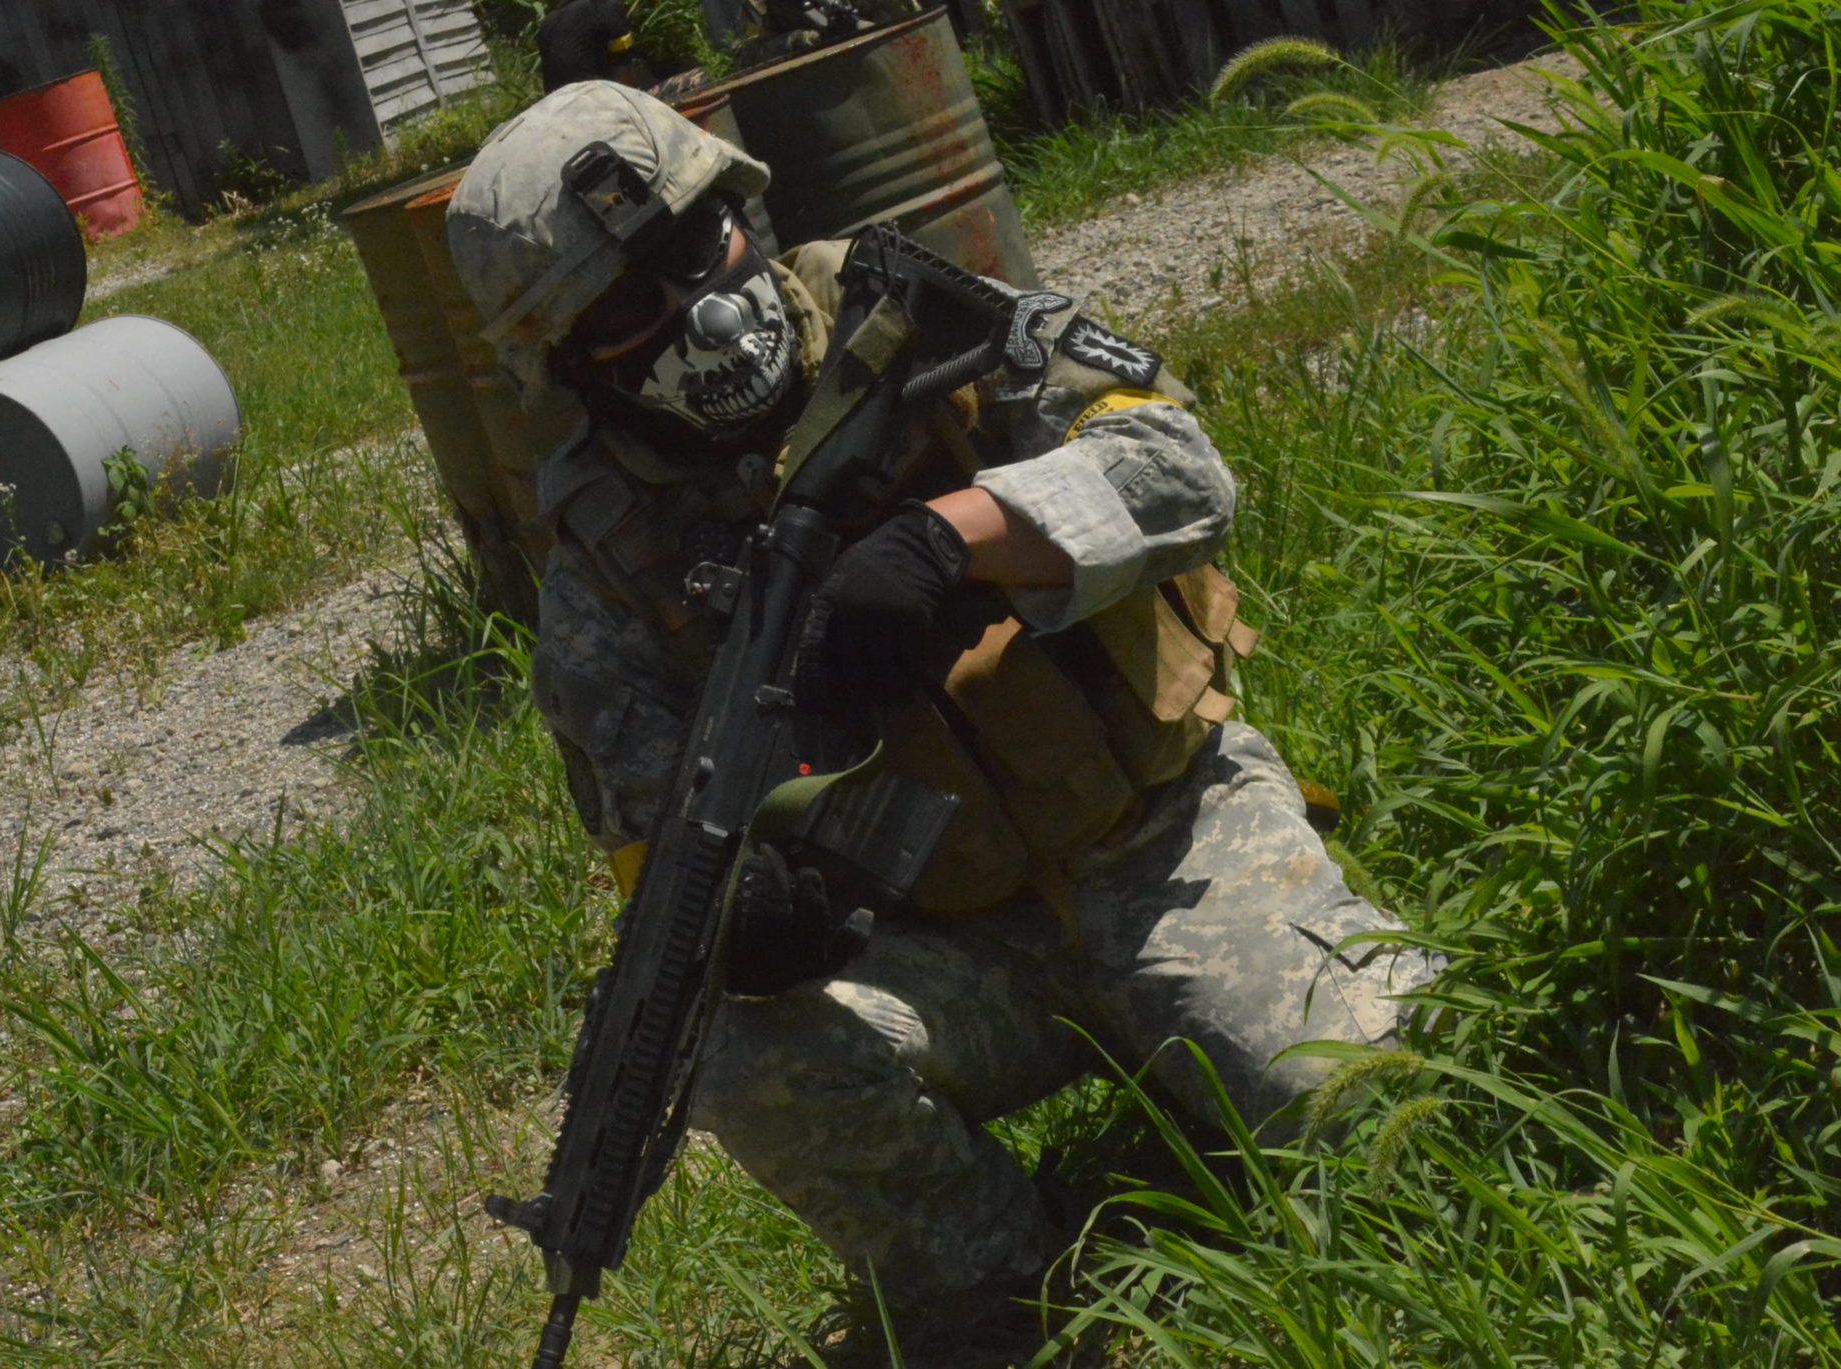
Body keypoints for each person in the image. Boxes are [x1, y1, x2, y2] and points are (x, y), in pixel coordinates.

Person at [446, 82, 1431, 1364]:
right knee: (731, 1048)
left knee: (1387, 1121)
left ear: (741, 210)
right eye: (627, 311)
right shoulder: (607, 566)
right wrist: (757, 910)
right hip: (951, 951)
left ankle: (1220, 1041)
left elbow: (1184, 471)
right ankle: (995, 1291)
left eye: (695, 248)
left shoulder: (913, 311)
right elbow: (653, 845)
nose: (697, 309)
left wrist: (952, 536)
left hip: (1167, 841)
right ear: (573, 365)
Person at [536, 0, 649, 91]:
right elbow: (622, 68)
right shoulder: (607, 6)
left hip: (557, 100)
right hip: (597, 93)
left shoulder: (547, 23)